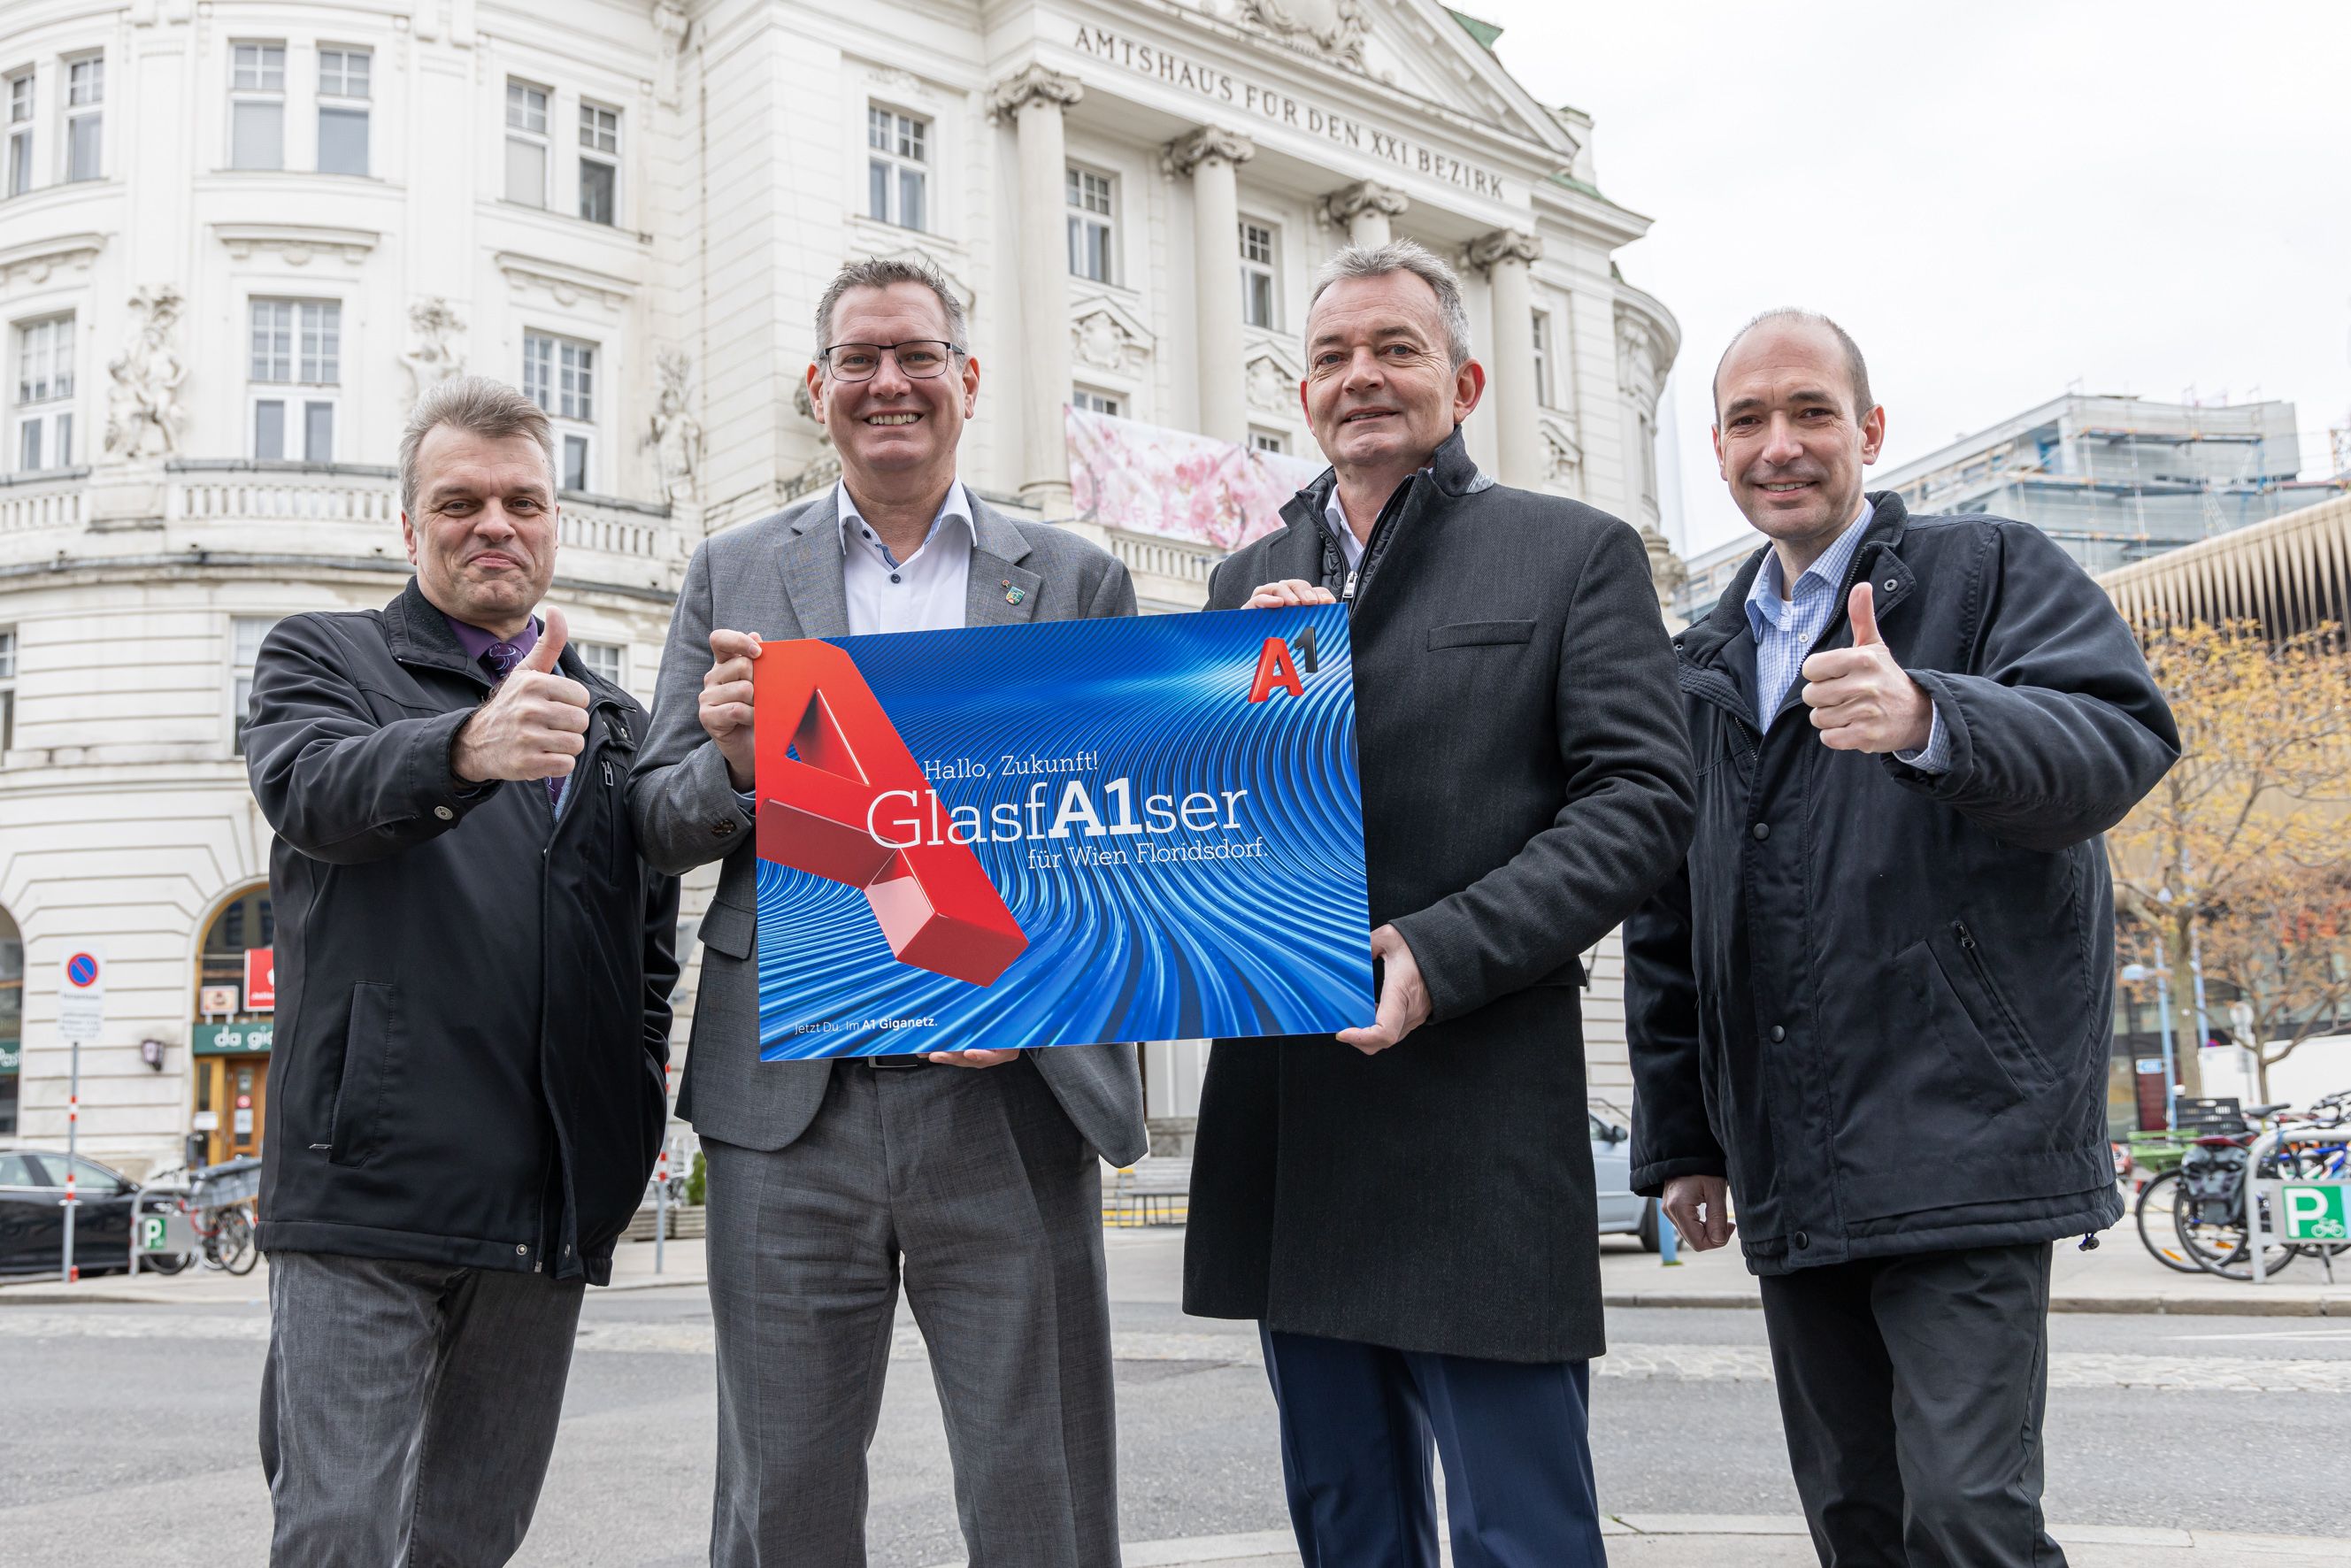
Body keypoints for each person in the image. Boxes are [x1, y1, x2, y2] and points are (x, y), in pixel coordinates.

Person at [1625, 310, 2178, 1565]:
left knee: (1971, 1518)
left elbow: (2117, 743)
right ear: (1715, 449)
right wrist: (1684, 1142)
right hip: (1788, 1157)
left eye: (1811, 412)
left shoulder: (1989, 571)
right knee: (1856, 1524)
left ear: (1867, 432)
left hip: (1963, 1140)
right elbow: (1669, 921)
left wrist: (1934, 714)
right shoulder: (1695, 663)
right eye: (1749, 420)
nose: (1781, 444)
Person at [1182, 239, 1696, 1568]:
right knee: (1345, 1521)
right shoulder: (1239, 586)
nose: (1362, 377)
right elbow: (1196, 832)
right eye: (1333, 356)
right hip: (1296, 1116)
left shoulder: (1569, 553)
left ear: (1462, 380)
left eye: (1394, 349)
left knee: (1520, 1524)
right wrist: (1245, 705)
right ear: (1300, 396)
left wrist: (1436, 949)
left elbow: (1640, 804)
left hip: (1477, 1109)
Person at [629, 257, 1148, 1568]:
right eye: (858, 360)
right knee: (782, 1491)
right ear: (818, 390)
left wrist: (1033, 992)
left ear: (967, 380)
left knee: (1042, 1484)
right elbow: (649, 821)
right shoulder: (733, 571)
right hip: (787, 1097)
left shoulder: (1075, 577)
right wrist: (736, 765)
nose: (888, 383)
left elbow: (1121, 847)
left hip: (1008, 1097)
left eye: (916, 355)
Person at [243, 375, 680, 1565]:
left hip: (541, 1207)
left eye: (523, 501)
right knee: (337, 1533)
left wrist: (626, 1119)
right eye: (461, 501)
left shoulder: (613, 722)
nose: (496, 522)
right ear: (410, 526)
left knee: (471, 1540)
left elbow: (645, 957)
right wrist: (465, 746)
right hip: (364, 1195)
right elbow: (312, 792)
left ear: (554, 523)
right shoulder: (320, 658)